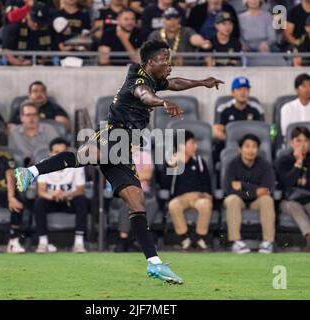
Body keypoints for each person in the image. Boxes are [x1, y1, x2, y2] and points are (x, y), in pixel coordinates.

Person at [14, 40, 224, 284]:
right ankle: (29, 171)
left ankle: (154, 263)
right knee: (85, 156)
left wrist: (201, 82)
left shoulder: (153, 78)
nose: (169, 64)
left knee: (137, 202)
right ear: (149, 63)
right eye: (164, 60)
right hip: (113, 133)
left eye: (169, 59)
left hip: (126, 148)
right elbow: (144, 96)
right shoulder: (138, 80)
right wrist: (162, 101)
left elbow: (174, 84)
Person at [276, 126, 310, 252]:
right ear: (291, 142)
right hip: (289, 200)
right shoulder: (283, 160)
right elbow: (286, 182)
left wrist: (302, 182)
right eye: (298, 141)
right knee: (293, 206)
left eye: (306, 141)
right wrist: (298, 163)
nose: (302, 145)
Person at [34, 138, 89, 253]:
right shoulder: (43, 165)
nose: (59, 156)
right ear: (50, 153)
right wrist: (53, 196)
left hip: (69, 200)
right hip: (51, 200)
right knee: (39, 203)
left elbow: (80, 190)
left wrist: (67, 194)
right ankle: (43, 242)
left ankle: (79, 242)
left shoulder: (77, 164)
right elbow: (41, 191)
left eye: (62, 153)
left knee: (82, 201)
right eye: (56, 152)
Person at [223, 134, 276, 254]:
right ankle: (236, 242)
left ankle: (267, 242)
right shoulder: (232, 165)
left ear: (258, 149)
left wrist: (242, 186)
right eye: (247, 146)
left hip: (256, 201)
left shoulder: (265, 165)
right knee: (232, 199)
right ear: (240, 149)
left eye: (254, 147)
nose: (251, 150)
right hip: (239, 200)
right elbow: (229, 190)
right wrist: (255, 191)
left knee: (267, 199)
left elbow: (267, 189)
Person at [165, 130, 213, 251]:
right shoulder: (172, 161)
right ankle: (184, 239)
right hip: (179, 198)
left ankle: (198, 237)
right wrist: (172, 166)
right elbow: (164, 183)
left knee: (206, 204)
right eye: (192, 143)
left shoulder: (199, 161)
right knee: (173, 205)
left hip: (198, 196)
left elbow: (206, 180)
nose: (195, 146)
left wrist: (207, 193)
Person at [213, 76, 264, 162]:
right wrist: (233, 142)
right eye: (239, 89)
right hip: (229, 145)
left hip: (251, 145)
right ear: (233, 92)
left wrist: (247, 145)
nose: (243, 92)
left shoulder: (257, 109)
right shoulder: (224, 109)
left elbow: (262, 132)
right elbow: (217, 132)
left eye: (246, 89)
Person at [148, 7, 212, 66]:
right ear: (163, 20)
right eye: (169, 19)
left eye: (175, 18)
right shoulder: (155, 35)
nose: (172, 22)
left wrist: (202, 43)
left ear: (179, 20)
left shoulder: (186, 31)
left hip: (188, 71)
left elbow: (194, 38)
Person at [2, 1, 57, 66]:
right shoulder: (14, 28)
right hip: (18, 68)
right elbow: (7, 55)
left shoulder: (48, 29)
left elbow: (54, 52)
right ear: (27, 14)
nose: (36, 24)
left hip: (44, 67)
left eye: (39, 22)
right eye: (34, 20)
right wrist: (22, 63)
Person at [8, 100, 60, 165]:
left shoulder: (49, 129)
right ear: (21, 117)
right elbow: (11, 155)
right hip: (23, 169)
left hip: (46, 167)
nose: (31, 118)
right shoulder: (14, 132)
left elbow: (59, 150)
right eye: (28, 115)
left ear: (38, 117)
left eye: (34, 114)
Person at [280, 73, 310, 138]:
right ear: (296, 90)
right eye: (304, 86)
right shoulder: (287, 108)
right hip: (293, 143)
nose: (307, 89)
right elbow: (285, 131)